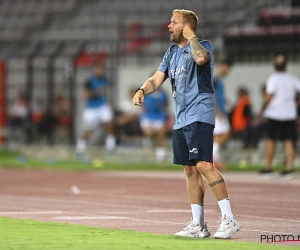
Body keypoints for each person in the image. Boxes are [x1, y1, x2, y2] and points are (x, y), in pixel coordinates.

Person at [132, 9, 241, 239]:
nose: (169, 26)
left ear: (187, 26)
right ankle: (198, 224)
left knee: (203, 165)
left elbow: (201, 59)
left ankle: (229, 219)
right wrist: (142, 90)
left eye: (174, 22)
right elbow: (157, 79)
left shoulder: (203, 45)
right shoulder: (171, 53)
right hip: (180, 117)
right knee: (189, 170)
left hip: (200, 113)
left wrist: (192, 37)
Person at [258, 55, 300, 179]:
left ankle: (268, 168)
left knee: (271, 140)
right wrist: (295, 104)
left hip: (275, 113)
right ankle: (289, 169)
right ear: (285, 66)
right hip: (289, 114)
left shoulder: (273, 78)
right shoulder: (292, 79)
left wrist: (262, 108)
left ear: (275, 66)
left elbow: (269, 96)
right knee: (289, 141)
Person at [75, 63, 116, 160]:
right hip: (91, 108)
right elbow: (88, 94)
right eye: (98, 70)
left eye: (101, 70)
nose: (100, 72)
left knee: (109, 123)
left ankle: (111, 146)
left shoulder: (105, 79)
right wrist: (97, 92)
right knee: (88, 129)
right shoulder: (89, 80)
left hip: (102, 106)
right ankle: (79, 149)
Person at [213, 59, 233, 170]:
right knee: (226, 133)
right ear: (223, 66)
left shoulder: (219, 80)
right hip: (217, 112)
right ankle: (212, 156)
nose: (228, 71)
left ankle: (215, 159)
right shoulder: (215, 79)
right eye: (228, 68)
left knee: (218, 135)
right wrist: (218, 111)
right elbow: (211, 94)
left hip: (218, 110)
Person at [140, 87, 168, 162]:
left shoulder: (163, 94)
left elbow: (165, 105)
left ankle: (160, 152)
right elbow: (142, 105)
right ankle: (149, 140)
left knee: (162, 131)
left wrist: (161, 106)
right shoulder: (146, 93)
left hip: (159, 116)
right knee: (149, 131)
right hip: (148, 116)